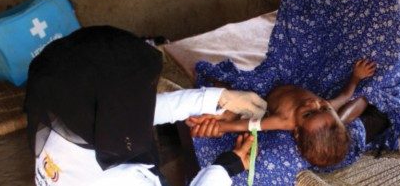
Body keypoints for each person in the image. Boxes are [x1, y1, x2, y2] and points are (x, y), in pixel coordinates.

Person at [193, 0, 400, 184]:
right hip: (304, 90)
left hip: (362, 102)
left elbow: (378, 84)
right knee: (218, 104)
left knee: (327, 145)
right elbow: (283, 56)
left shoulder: (382, 2)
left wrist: (336, 121)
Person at [24, 26, 266, 186]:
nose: (142, 101)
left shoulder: (66, 127)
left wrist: (216, 99)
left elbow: (137, 110)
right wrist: (224, 168)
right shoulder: (124, 180)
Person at [188, 60, 389, 168]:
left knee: (232, 92)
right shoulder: (325, 105)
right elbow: (346, 94)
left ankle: (344, 120)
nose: (314, 103)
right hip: (285, 81)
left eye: (309, 114)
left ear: (297, 132)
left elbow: (249, 125)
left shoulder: (284, 120)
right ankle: (344, 120)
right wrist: (356, 77)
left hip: (268, 94)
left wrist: (220, 127)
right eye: (324, 109)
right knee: (361, 98)